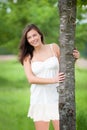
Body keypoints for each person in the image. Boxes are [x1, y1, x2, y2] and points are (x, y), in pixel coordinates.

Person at [19, 24, 80, 130]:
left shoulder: (53, 47)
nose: (33, 39)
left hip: (57, 96)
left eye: (34, 35)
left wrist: (75, 58)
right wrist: (53, 80)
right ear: (27, 40)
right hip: (39, 97)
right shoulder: (27, 57)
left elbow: (65, 67)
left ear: (40, 35)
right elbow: (31, 79)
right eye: (29, 37)